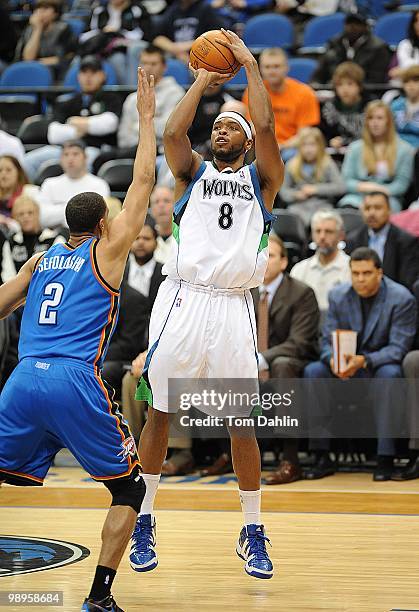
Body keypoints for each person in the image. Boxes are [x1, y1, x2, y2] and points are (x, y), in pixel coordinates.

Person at [0, 68, 156, 611]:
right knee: (129, 490)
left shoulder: (42, 259)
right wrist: (146, 116)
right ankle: (99, 596)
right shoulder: (106, 253)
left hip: (22, 379)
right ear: (104, 224)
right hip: (73, 379)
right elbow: (142, 185)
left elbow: (1, 304)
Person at [131, 29, 284, 579]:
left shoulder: (263, 181)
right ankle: (143, 518)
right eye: (216, 126)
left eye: (229, 127)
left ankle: (252, 529)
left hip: (234, 305)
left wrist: (247, 64)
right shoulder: (190, 174)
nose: (220, 130)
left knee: (241, 421)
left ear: (243, 143)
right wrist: (200, 80)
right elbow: (173, 130)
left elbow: (265, 124)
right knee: (161, 411)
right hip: (183, 299)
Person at [303, 247, 416, 481]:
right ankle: (320, 455)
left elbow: (398, 348)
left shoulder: (401, 298)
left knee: (391, 375)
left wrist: (364, 361)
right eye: (355, 273)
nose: (360, 279)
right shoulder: (338, 295)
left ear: (380, 273)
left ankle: (385, 457)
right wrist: (331, 359)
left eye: (366, 273)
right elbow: (326, 339)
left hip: (377, 366)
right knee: (314, 371)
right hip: (345, 365)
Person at [253, 234, 319, 485]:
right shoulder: (244, 292)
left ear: (283, 262)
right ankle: (228, 453)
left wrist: (261, 359)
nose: (264, 261)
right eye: (260, 256)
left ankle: (291, 459)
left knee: (281, 365)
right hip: (253, 362)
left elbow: (299, 342)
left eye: (270, 256)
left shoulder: (301, 293)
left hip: (293, 362)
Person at [23, 56, 122, 183]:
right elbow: (53, 133)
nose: (88, 77)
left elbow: (110, 123)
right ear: (78, 76)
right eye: (84, 72)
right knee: (27, 161)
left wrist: (77, 123)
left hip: (93, 148)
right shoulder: (68, 102)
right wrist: (82, 130)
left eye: (93, 73)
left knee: (84, 161)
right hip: (63, 149)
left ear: (102, 75)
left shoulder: (112, 98)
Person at [242, 47, 320, 161]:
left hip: (291, 147)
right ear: (260, 69)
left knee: (292, 155)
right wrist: (269, 146)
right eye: (267, 67)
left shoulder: (305, 93)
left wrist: (282, 146)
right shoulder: (252, 91)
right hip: (260, 145)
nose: (272, 71)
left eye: (276, 66)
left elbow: (305, 134)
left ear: (286, 68)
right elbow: (251, 126)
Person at [339, 100, 415, 212]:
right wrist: (367, 188)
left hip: (389, 198)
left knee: (380, 210)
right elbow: (346, 180)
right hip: (358, 197)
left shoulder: (405, 150)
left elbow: (401, 184)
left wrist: (379, 190)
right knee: (347, 211)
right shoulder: (355, 148)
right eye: (371, 118)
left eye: (379, 118)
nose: (375, 123)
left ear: (388, 121)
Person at [346, 191, 419, 291]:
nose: (371, 213)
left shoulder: (406, 241)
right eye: (367, 208)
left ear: (389, 210)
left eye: (377, 208)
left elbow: (407, 281)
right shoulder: (353, 240)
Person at [280, 127, 345, 226]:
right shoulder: (291, 165)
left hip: (322, 206)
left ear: (320, 145)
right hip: (298, 206)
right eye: (304, 145)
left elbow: (340, 187)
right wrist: (295, 195)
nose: (308, 149)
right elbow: (283, 191)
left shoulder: (327, 164)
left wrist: (316, 189)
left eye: (312, 145)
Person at [38, 140, 110, 229]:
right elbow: (43, 217)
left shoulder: (99, 184)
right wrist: (77, 210)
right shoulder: (49, 184)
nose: (70, 159)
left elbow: (96, 218)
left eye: (75, 154)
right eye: (66, 154)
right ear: (60, 159)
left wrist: (58, 211)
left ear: (85, 158)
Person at [290, 210, 351, 314]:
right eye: (318, 231)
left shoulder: (352, 268)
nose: (322, 237)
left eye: (328, 231)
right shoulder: (299, 269)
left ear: (341, 236)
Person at [80, 0, 152, 85]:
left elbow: (145, 35)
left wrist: (119, 33)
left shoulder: (137, 9)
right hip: (101, 46)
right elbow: (84, 35)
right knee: (82, 59)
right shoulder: (99, 9)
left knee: (118, 59)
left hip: (125, 47)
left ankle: (128, 90)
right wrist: (104, 32)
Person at [311, 12, 392, 86]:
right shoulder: (334, 44)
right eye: (349, 23)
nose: (352, 27)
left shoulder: (378, 48)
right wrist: (317, 86)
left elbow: (377, 81)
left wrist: (352, 87)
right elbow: (318, 75)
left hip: (367, 94)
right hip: (333, 92)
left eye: (357, 24)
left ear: (365, 27)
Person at [15, 0, 76, 80]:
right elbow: (28, 59)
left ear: (55, 13)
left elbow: (66, 58)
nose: (40, 12)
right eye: (38, 9)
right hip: (32, 72)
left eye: (46, 8)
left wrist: (38, 62)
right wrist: (37, 29)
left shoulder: (64, 29)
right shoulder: (29, 30)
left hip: (57, 73)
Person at [153, 0, 226, 63]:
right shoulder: (173, 10)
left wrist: (189, 48)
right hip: (177, 55)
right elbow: (157, 38)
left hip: (201, 55)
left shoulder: (205, 9)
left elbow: (218, 36)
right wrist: (175, 49)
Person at [319, 61, 368, 152]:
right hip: (337, 153)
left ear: (359, 86)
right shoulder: (329, 108)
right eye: (340, 85)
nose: (345, 89)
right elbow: (324, 135)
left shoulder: (370, 106)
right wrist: (331, 141)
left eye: (350, 84)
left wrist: (346, 142)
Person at [9, 195, 65, 273]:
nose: (26, 217)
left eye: (30, 213)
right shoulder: (10, 242)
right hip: (17, 284)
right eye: (21, 214)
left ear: (38, 214)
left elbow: (59, 272)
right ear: (15, 217)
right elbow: (8, 274)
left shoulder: (55, 240)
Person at [0, 156, 38, 231]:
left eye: (8, 170)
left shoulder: (31, 192)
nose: (3, 174)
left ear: (18, 172)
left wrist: (8, 222)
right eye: (0, 170)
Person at [390, 66, 419, 149]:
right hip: (397, 149)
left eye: (415, 81)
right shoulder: (395, 105)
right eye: (406, 81)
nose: (410, 85)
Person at [390, 10, 419, 81]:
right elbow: (393, 72)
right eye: (416, 20)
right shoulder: (405, 44)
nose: (418, 24)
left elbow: (404, 70)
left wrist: (403, 72)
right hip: (404, 86)